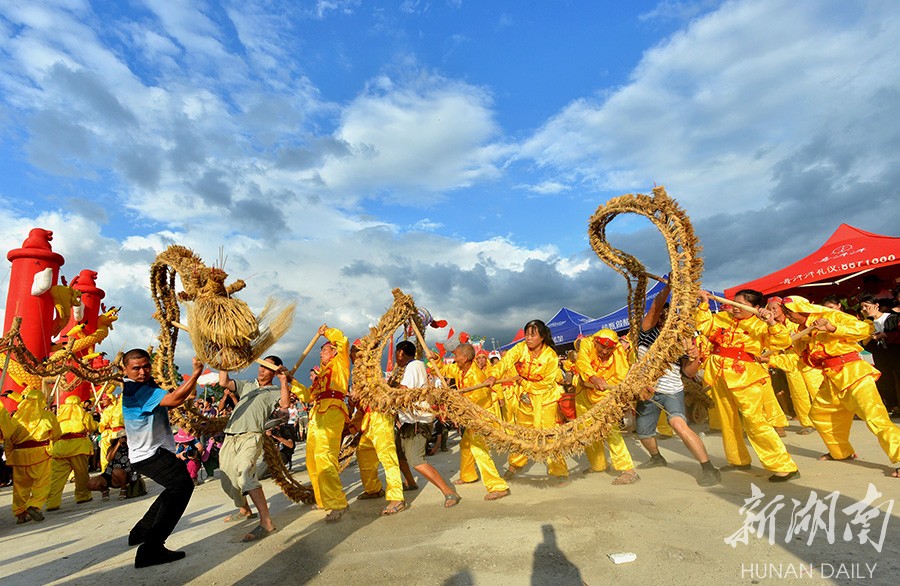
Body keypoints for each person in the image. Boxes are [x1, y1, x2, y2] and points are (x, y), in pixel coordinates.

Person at [781, 296, 900, 478]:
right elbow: (801, 357)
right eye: (786, 313)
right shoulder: (801, 330)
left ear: (801, 308)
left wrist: (832, 328)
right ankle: (841, 452)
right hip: (831, 377)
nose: (788, 316)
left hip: (853, 373)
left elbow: (864, 329)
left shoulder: (832, 316)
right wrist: (773, 357)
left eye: (789, 312)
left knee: (875, 418)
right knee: (820, 414)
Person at [695, 290, 799, 482]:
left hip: (745, 376)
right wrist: (703, 303)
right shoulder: (722, 317)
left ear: (756, 308)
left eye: (741, 304)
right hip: (719, 374)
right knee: (727, 419)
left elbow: (782, 342)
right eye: (734, 303)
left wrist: (772, 323)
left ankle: (783, 466)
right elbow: (703, 326)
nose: (735, 308)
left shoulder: (761, 324)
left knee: (755, 420)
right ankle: (738, 460)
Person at [121, 348, 204, 568]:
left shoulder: (145, 385)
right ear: (125, 369)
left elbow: (175, 396)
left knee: (175, 487)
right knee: (182, 486)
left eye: (146, 366)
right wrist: (196, 374)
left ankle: (141, 531)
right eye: (136, 368)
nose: (142, 372)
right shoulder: (138, 390)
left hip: (149, 453)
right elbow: (174, 399)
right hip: (149, 454)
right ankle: (152, 548)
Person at [636, 285, 721, 487]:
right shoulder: (646, 333)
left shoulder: (680, 341)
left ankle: (709, 468)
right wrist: (669, 286)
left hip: (672, 390)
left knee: (678, 425)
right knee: (644, 433)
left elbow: (689, 373)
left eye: (668, 317)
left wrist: (694, 358)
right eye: (661, 316)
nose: (663, 319)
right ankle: (657, 457)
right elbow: (654, 308)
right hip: (647, 392)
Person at [483, 320, 569, 484]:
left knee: (550, 435)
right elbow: (505, 362)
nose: (528, 338)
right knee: (523, 434)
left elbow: (547, 383)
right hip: (526, 399)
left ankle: (559, 471)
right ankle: (515, 465)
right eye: (527, 334)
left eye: (533, 335)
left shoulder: (550, 356)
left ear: (542, 337)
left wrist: (524, 382)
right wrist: (494, 375)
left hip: (546, 399)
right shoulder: (520, 348)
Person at [218, 355, 293, 539]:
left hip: (251, 437)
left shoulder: (276, 390)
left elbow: (285, 405)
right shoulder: (247, 385)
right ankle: (245, 510)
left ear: (274, 372)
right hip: (230, 435)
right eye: (261, 365)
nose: (261, 369)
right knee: (228, 481)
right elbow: (223, 382)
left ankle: (266, 523)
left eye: (267, 367)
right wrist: (224, 363)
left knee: (245, 476)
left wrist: (283, 380)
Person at [430, 343, 510, 500]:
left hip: (481, 417)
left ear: (465, 357)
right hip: (472, 416)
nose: (455, 359)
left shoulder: (476, 376)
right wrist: (436, 359)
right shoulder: (459, 369)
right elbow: (443, 369)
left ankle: (498, 486)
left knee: (478, 449)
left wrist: (456, 403)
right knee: (465, 445)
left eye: (456, 356)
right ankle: (468, 475)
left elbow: (474, 403)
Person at [393, 340, 461, 508]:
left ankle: (448, 492)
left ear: (401, 353)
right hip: (409, 421)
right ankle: (411, 482)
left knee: (416, 460)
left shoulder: (413, 366)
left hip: (417, 421)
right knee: (398, 454)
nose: (395, 357)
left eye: (396, 353)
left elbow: (403, 391)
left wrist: (385, 391)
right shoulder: (412, 366)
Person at [295, 325, 351, 521]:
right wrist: (291, 381)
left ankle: (338, 503)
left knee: (324, 456)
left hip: (333, 411)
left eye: (325, 350)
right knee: (311, 460)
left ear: (334, 351)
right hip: (316, 415)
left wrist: (326, 331)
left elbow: (342, 340)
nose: (321, 354)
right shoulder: (320, 376)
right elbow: (308, 396)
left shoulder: (340, 363)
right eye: (321, 351)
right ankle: (323, 500)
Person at [574, 329, 640, 485]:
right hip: (584, 395)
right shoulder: (587, 344)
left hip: (605, 397)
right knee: (586, 431)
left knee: (611, 431)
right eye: (602, 347)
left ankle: (628, 470)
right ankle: (598, 465)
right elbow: (582, 362)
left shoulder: (618, 352)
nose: (604, 351)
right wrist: (593, 378)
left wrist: (608, 388)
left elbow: (620, 376)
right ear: (595, 342)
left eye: (608, 348)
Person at [349, 341, 407, 516]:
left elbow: (378, 391)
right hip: (368, 420)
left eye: (355, 354)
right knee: (363, 453)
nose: (353, 359)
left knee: (387, 456)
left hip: (380, 417)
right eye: (352, 355)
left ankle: (397, 498)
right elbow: (361, 405)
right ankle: (373, 489)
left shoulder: (372, 370)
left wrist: (362, 391)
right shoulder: (357, 375)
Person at [8, 389, 60, 523]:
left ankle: (20, 514)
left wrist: (9, 456)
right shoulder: (47, 416)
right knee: (42, 482)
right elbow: (56, 434)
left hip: (19, 455)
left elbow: (8, 438)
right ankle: (34, 505)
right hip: (40, 453)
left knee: (20, 486)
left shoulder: (16, 418)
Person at [47, 394, 97, 510]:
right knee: (81, 474)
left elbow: (53, 434)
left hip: (60, 448)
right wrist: (93, 420)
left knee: (56, 477)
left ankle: (52, 502)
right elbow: (92, 428)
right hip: (78, 447)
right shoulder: (83, 415)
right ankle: (83, 496)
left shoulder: (58, 417)